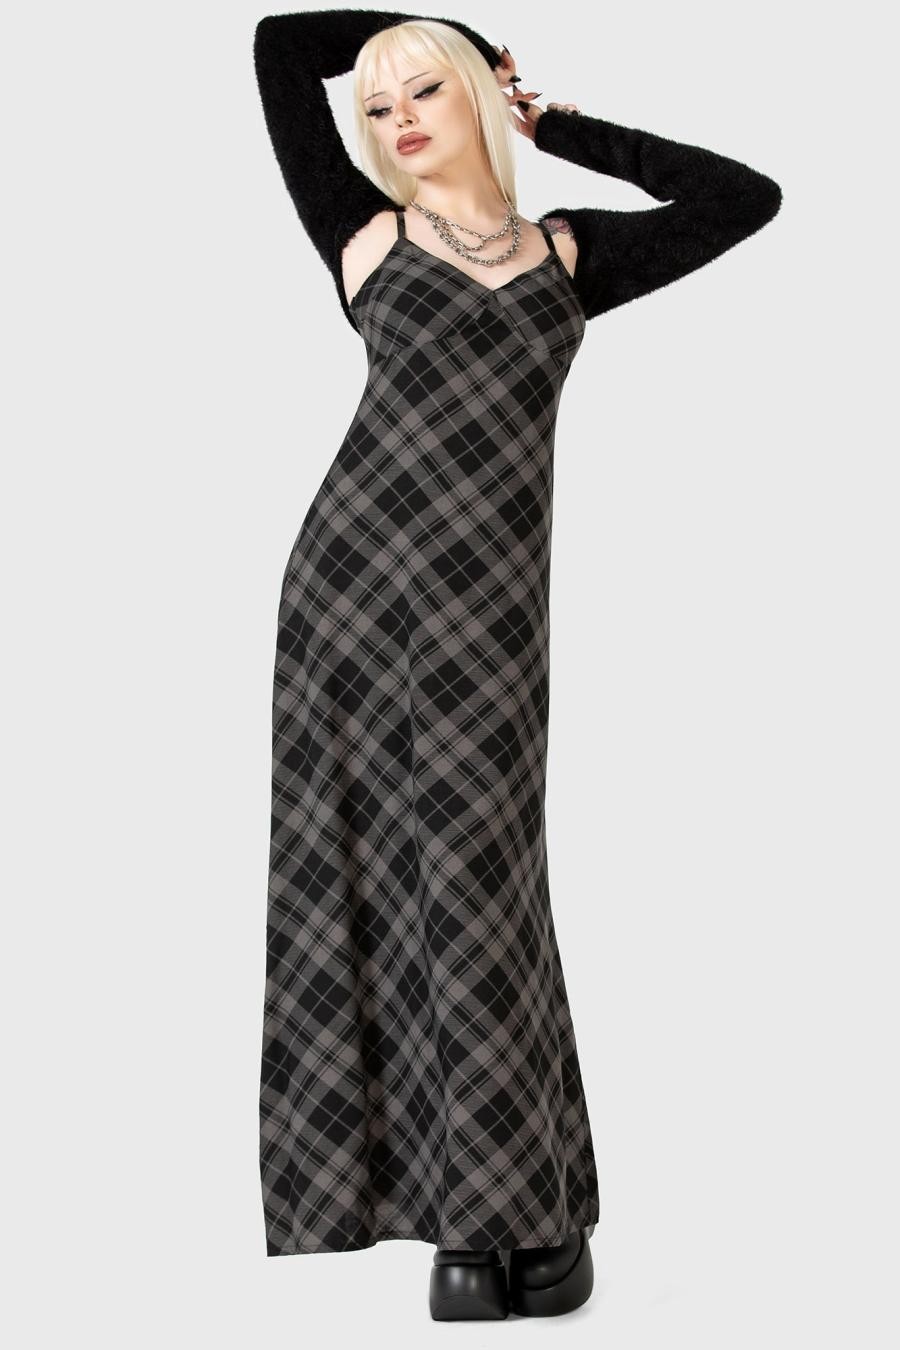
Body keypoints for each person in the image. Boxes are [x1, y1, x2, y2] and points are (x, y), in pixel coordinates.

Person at [252, 8, 782, 1321]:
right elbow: (277, 45)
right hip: (353, 594)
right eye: (379, 105)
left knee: (483, 886)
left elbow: (743, 197)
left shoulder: (568, 254)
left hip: (490, 617)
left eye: (425, 91)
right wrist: (426, 30)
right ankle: (476, 1228)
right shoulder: (363, 234)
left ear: (478, 97)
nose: (397, 120)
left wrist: (558, 121)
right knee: (377, 882)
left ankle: (518, 1209)